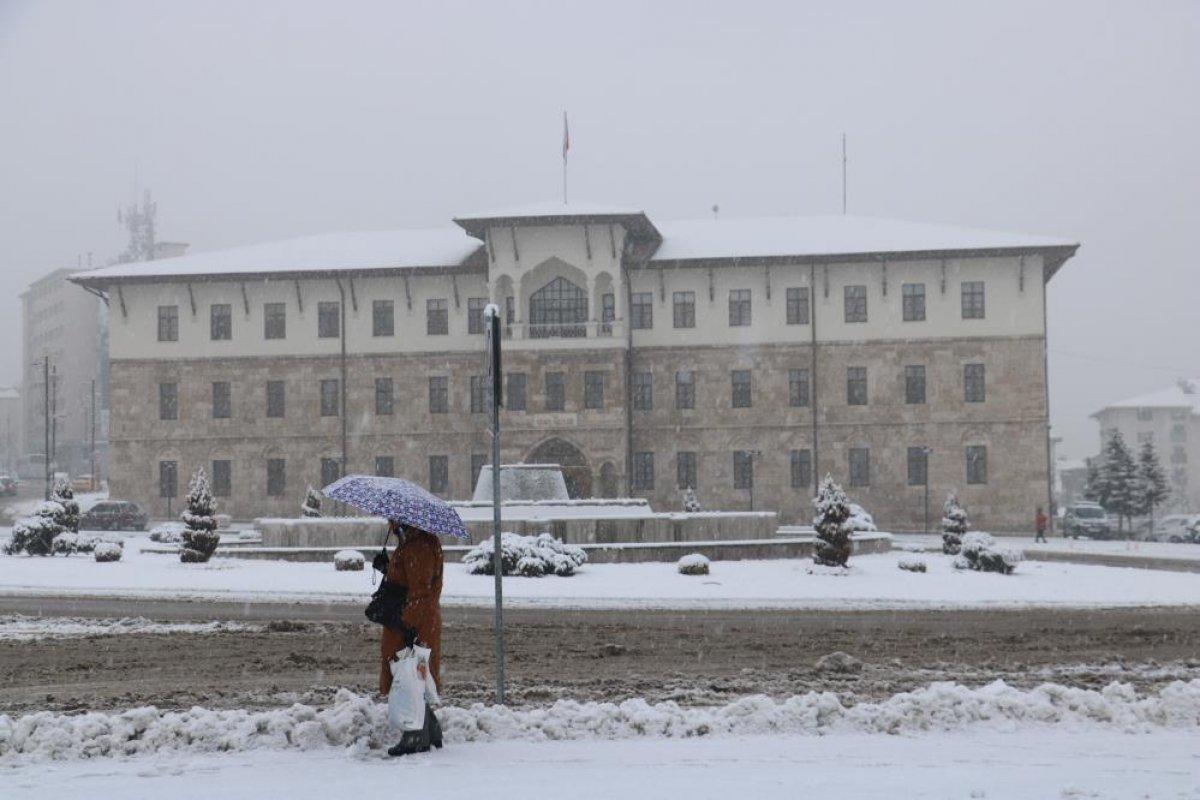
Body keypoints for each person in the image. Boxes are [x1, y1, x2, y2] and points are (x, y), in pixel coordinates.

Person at [374, 521, 444, 756]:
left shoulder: (419, 546)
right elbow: (409, 579)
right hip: (415, 620)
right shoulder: (414, 542)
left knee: (408, 676)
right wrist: (388, 569)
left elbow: (420, 591)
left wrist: (406, 623)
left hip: (413, 623)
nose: (390, 523)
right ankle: (429, 729)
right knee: (414, 675)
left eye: (393, 519)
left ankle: (415, 735)